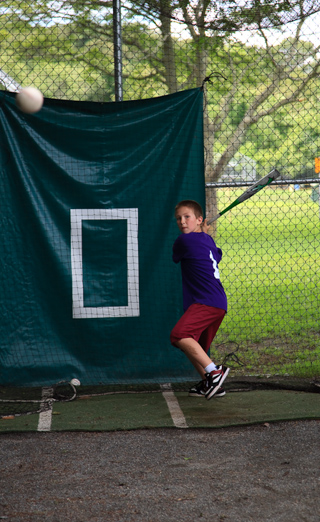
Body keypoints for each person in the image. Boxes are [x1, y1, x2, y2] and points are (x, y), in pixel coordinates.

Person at [170, 200, 229, 400]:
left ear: (199, 219)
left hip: (206, 301)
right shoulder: (208, 240)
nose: (182, 222)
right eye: (179, 218)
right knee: (195, 347)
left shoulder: (183, 241)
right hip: (219, 303)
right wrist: (203, 234)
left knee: (179, 335)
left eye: (187, 217)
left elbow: (176, 256)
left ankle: (214, 373)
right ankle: (210, 384)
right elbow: (217, 255)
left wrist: (199, 234)